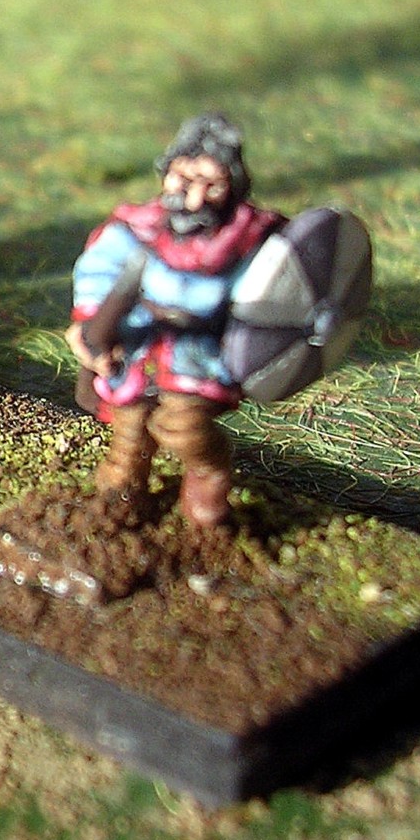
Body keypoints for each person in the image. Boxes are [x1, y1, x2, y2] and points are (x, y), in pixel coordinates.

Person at [67, 114, 284, 529]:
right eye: (184, 181)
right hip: (136, 342)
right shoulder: (138, 227)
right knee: (129, 429)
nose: (196, 198)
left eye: (212, 186)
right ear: (167, 175)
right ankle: (122, 495)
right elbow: (99, 269)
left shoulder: (250, 239)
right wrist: (92, 320)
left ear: (232, 187)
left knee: (184, 427)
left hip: (200, 351)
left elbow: (273, 295)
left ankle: (209, 476)